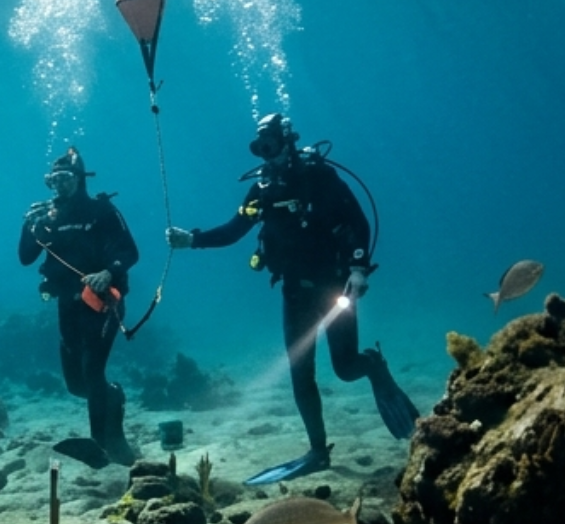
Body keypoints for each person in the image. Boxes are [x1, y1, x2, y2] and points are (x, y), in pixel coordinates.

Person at [166, 113, 420, 484]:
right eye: (261, 148)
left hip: (335, 287)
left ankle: (375, 368)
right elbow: (234, 230)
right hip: (294, 291)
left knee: (346, 368)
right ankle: (318, 452)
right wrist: (192, 240)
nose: (267, 155)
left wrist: (358, 269)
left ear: (287, 141)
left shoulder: (320, 177)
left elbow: (360, 223)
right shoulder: (261, 191)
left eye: (272, 145)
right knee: (301, 374)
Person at [18, 148, 141, 468]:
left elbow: (130, 251)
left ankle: (101, 445)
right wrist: (28, 226)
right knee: (76, 385)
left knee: (92, 371)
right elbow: (26, 257)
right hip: (67, 305)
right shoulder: (49, 217)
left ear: (81, 179)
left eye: (66, 179)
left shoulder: (102, 210)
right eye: (53, 180)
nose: (59, 186)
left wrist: (108, 272)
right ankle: (112, 398)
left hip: (103, 304)